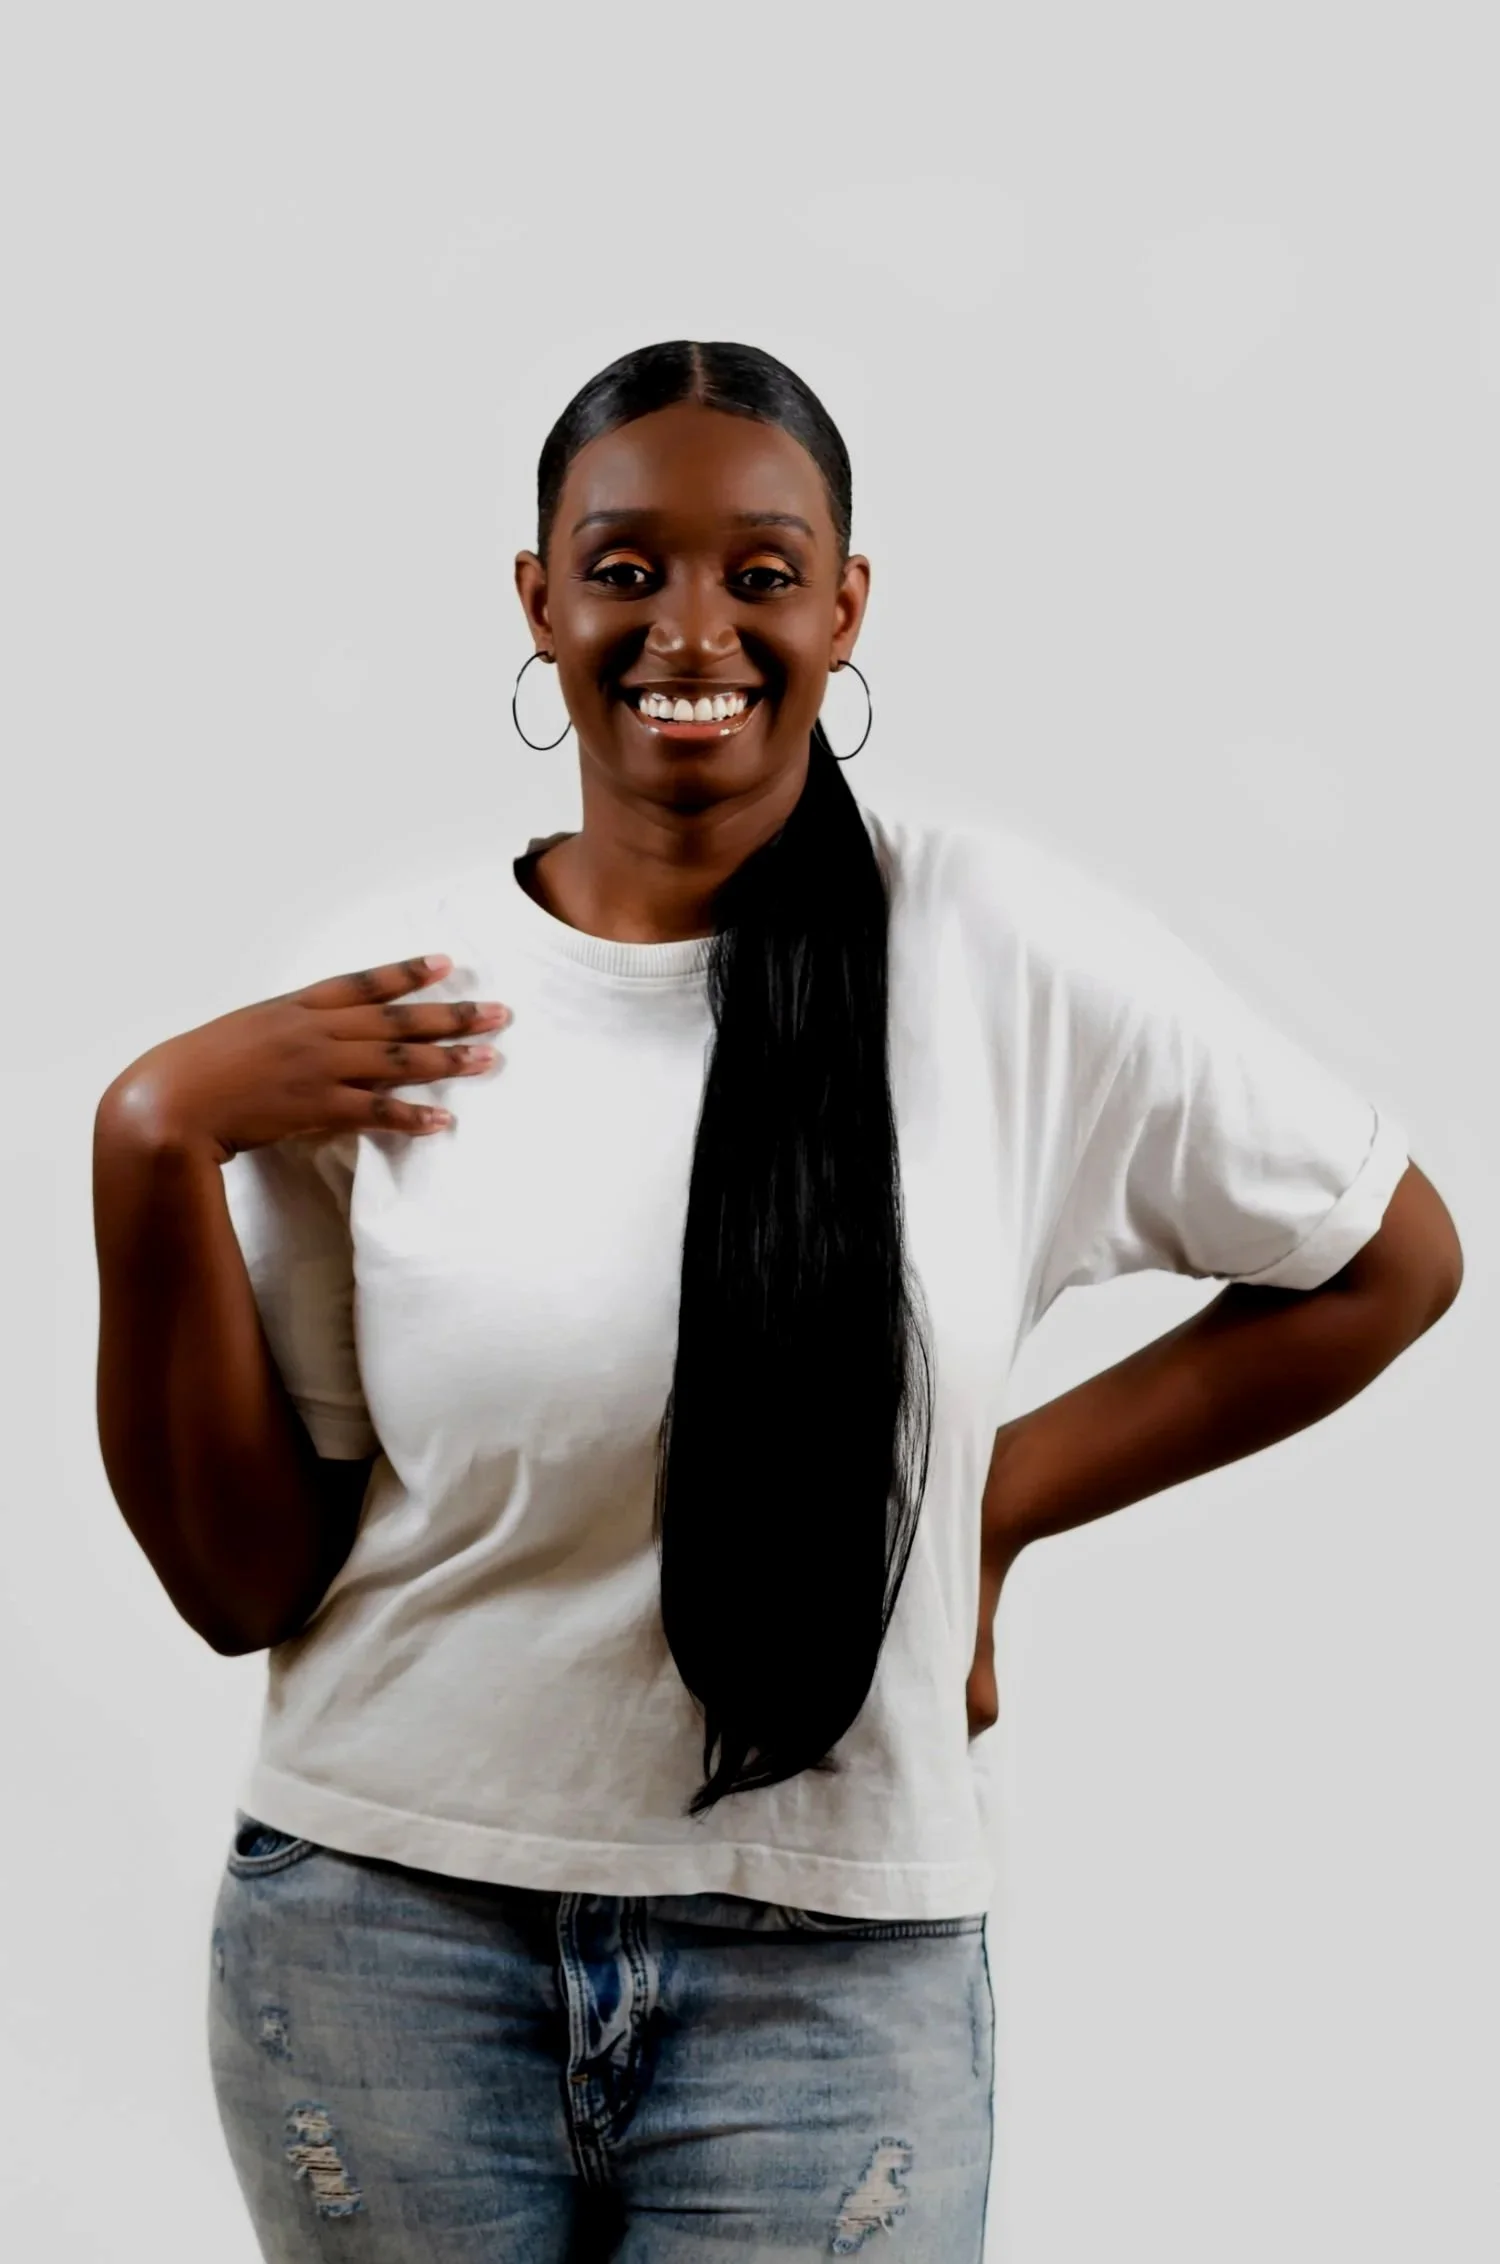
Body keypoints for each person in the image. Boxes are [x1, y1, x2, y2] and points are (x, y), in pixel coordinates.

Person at [92, 339, 1463, 2262]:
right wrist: (146, 1144)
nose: (691, 628)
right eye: (626, 567)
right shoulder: (393, 1004)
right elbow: (247, 1583)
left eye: (760, 571)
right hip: (383, 1938)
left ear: (845, 603)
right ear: (538, 599)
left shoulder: (999, 952)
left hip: (834, 1972)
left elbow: (1387, 1258)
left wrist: (981, 1502)